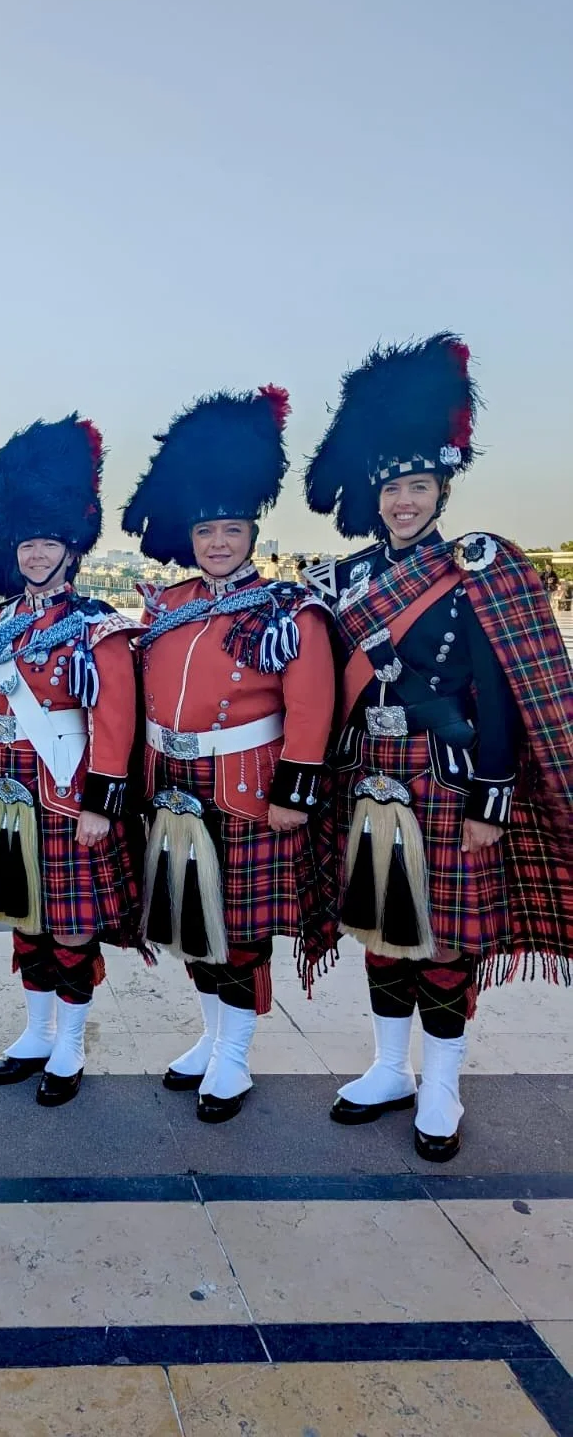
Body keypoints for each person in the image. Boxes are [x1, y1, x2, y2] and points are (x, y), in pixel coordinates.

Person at [305, 333, 573, 1160]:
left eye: (417, 487)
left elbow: (503, 691)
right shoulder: (346, 580)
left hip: (449, 776)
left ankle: (443, 1085)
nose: (403, 503)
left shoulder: (477, 570)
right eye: (391, 489)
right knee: (383, 929)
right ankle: (389, 1067)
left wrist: (494, 797)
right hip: (372, 774)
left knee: (448, 938)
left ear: (442, 488)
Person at [121, 387, 337, 1123]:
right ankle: (212, 1036)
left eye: (232, 530)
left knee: (241, 930)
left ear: (252, 533)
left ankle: (235, 1058)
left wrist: (294, 791)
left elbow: (310, 708)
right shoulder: (166, 607)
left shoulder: (286, 609)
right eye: (208, 530)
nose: (219, 543)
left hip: (245, 785)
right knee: (194, 920)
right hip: (173, 782)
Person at [0, 416, 142, 1106]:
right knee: (26, 914)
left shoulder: (98, 625)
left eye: (48, 545)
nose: (36, 556)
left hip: (65, 792)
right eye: (28, 544)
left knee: (70, 921)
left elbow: (114, 722)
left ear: (72, 550)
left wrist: (101, 803)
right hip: (4, 787)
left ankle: (70, 1041)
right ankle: (36, 1032)